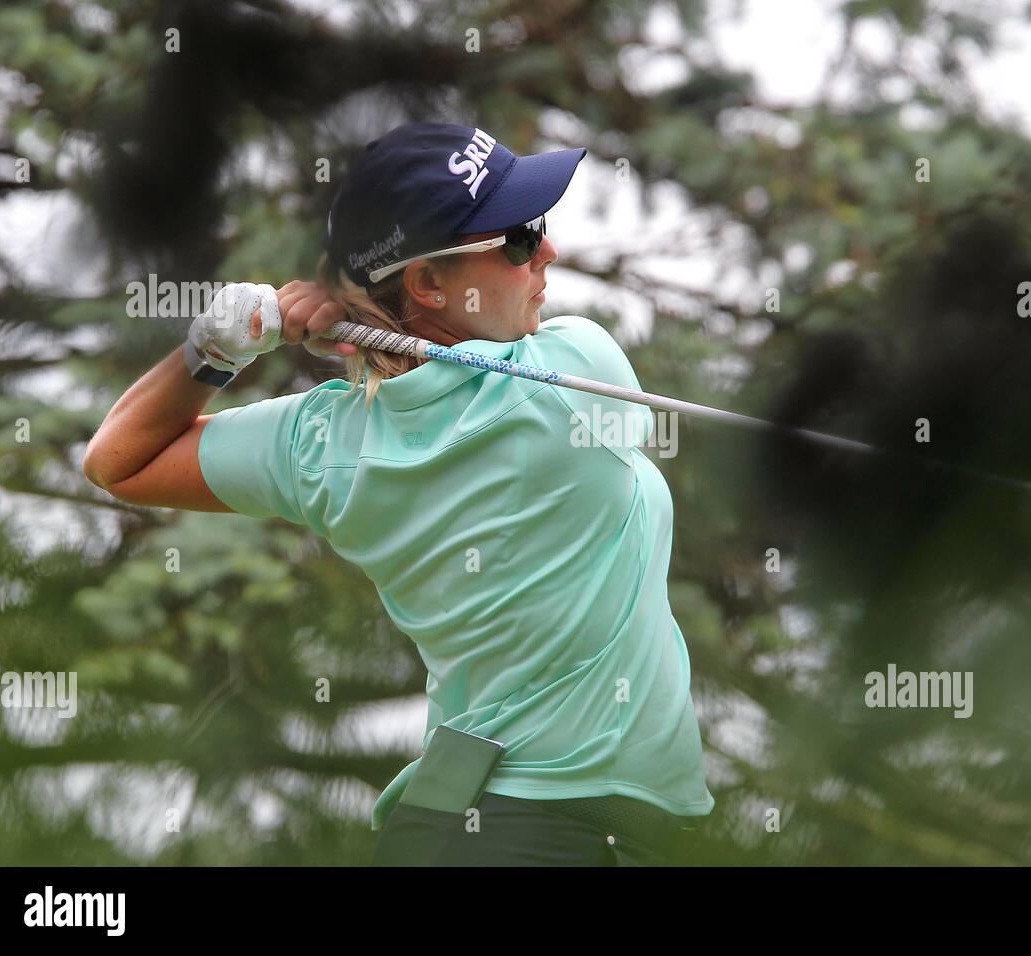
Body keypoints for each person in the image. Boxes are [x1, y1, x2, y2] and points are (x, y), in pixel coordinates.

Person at [83, 121, 716, 866]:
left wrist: (218, 347)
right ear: (427, 282)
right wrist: (357, 333)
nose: (547, 252)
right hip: (576, 838)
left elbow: (117, 459)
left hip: (441, 832)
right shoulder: (575, 371)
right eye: (516, 239)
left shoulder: (322, 444)